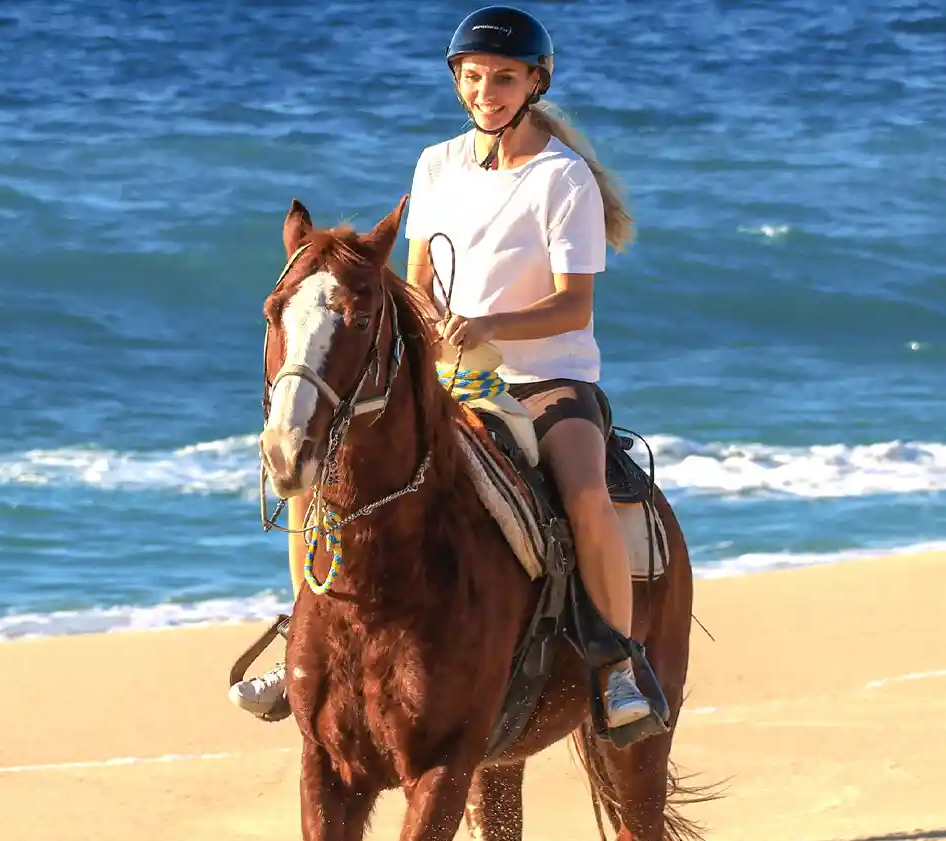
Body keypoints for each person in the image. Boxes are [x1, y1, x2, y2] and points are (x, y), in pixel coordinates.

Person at [232, 4, 650, 729]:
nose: (486, 91)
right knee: (315, 473)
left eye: (504, 78)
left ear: (535, 82)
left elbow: (571, 308)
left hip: (544, 376)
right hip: (447, 373)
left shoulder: (563, 179)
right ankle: (307, 642)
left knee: (582, 491)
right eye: (473, 77)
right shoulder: (437, 163)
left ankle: (616, 666)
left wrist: (488, 324)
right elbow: (419, 278)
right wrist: (428, 325)